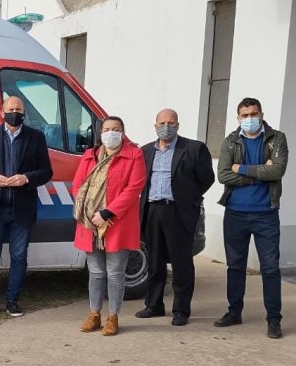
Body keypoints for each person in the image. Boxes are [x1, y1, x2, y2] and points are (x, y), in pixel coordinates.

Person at [0, 96, 53, 318]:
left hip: (21, 209)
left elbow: (46, 171)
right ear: (1, 112)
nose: (14, 112)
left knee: (18, 256)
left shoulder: (36, 137)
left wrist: (25, 178)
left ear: (24, 113)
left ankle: (12, 301)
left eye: (18, 109)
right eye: (11, 109)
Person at [214, 97, 289, 339]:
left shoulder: (276, 138)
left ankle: (274, 320)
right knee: (235, 266)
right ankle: (234, 312)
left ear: (261, 114)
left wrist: (242, 168)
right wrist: (259, 173)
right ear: (238, 118)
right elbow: (224, 175)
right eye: (245, 115)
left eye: (254, 114)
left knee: (269, 269)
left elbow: (277, 170)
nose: (250, 119)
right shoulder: (231, 141)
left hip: (266, 214)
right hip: (235, 213)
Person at [136, 109, 214, 326]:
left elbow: (206, 179)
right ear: (155, 125)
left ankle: (181, 309)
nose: (166, 127)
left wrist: (188, 199)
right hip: (152, 211)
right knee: (154, 261)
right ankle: (154, 305)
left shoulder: (193, 148)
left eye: (171, 123)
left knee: (181, 263)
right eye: (162, 123)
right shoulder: (145, 151)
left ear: (178, 125)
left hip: (178, 211)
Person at [73, 116, 145, 336]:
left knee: (115, 273)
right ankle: (94, 314)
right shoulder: (89, 156)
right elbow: (78, 186)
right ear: (100, 132)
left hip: (117, 222)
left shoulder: (134, 155)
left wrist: (107, 212)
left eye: (115, 129)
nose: (110, 133)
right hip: (90, 223)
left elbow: (134, 188)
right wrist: (89, 212)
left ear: (123, 132)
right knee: (95, 272)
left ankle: (113, 317)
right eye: (106, 129)